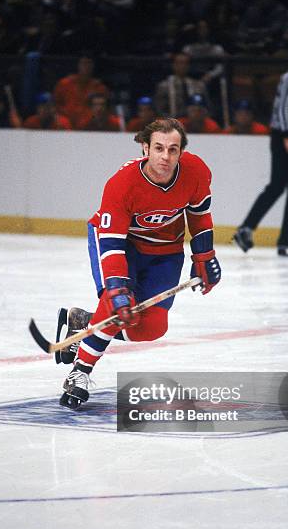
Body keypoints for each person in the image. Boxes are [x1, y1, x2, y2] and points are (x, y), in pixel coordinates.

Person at [57, 117, 221, 409]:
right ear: (145, 148)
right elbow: (112, 243)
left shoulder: (196, 172)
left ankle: (84, 321)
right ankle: (80, 372)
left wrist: (204, 255)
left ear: (181, 151)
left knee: (151, 329)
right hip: (121, 245)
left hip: (166, 250)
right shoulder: (122, 185)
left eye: (173, 149)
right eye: (159, 148)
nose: (165, 157)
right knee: (116, 304)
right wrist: (118, 288)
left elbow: (199, 215)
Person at [233, 42, 288, 257]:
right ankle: (246, 228)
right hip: (284, 137)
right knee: (277, 185)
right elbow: (281, 109)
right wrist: (286, 137)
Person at [53, 54, 109, 127]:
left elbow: (104, 110)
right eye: (83, 63)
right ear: (78, 65)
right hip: (66, 123)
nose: (86, 66)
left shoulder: (99, 87)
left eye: (89, 63)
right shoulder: (64, 84)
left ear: (93, 66)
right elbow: (55, 105)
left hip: (89, 125)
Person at [154, 53, 209, 118]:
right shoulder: (164, 86)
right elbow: (159, 110)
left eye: (186, 63)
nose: (183, 66)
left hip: (195, 122)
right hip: (173, 121)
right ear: (173, 65)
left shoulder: (198, 85)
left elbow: (207, 107)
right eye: (180, 63)